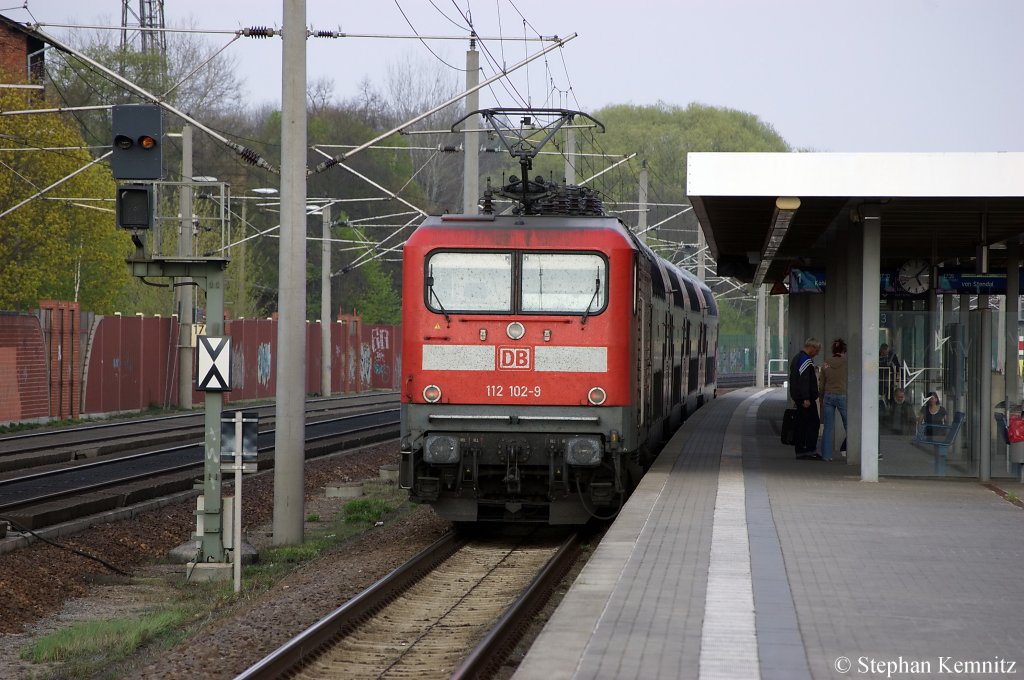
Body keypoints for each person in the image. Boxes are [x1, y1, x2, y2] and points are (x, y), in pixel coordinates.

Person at [789, 337, 822, 459]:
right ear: (811, 347)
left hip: (799, 398)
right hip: (805, 399)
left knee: (801, 424)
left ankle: (801, 451)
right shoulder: (806, 361)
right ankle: (809, 450)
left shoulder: (797, 358)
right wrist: (806, 398)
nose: (817, 352)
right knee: (813, 423)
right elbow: (804, 381)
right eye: (817, 350)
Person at [818, 338, 848, 461]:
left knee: (828, 427)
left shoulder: (826, 363)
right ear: (844, 350)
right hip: (842, 395)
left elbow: (821, 383)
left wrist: (821, 397)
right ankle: (852, 452)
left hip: (828, 396)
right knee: (848, 425)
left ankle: (826, 455)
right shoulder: (846, 363)